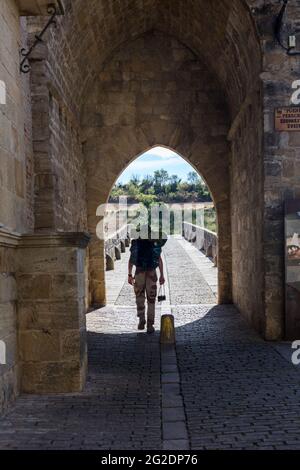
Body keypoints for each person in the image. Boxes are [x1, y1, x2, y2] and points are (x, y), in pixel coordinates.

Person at [128, 230, 167, 334]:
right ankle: (150, 324)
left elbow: (131, 260)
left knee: (139, 297)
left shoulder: (137, 243)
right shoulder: (154, 243)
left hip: (139, 272)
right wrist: (162, 275)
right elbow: (159, 260)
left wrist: (129, 275)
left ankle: (141, 319)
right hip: (152, 273)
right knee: (151, 300)